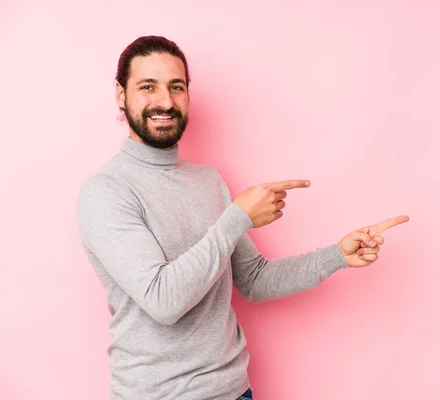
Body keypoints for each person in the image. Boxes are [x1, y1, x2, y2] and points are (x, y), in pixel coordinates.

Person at [76, 35, 409, 400]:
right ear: (121, 94)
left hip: (235, 391)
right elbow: (163, 300)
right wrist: (238, 217)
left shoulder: (207, 181)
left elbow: (254, 279)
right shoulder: (106, 191)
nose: (165, 101)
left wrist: (338, 256)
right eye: (147, 87)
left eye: (176, 87)